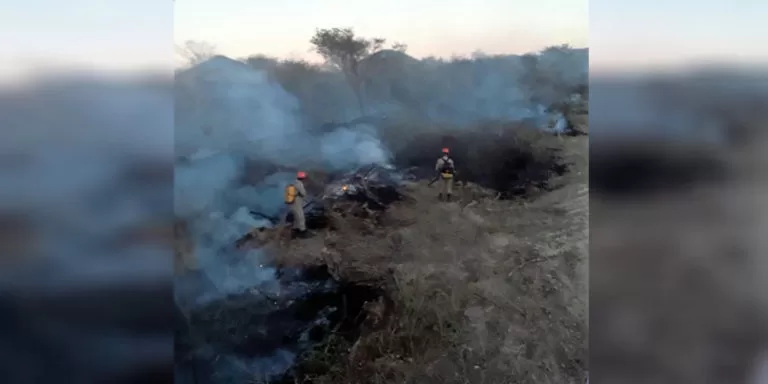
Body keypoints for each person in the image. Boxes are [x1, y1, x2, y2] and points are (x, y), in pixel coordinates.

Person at [284, 171, 309, 238]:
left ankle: (294, 232)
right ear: (303, 178)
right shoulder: (299, 184)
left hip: (291, 203)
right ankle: (303, 232)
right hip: (296, 203)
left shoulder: (293, 182)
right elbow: (303, 193)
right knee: (301, 217)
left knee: (296, 217)